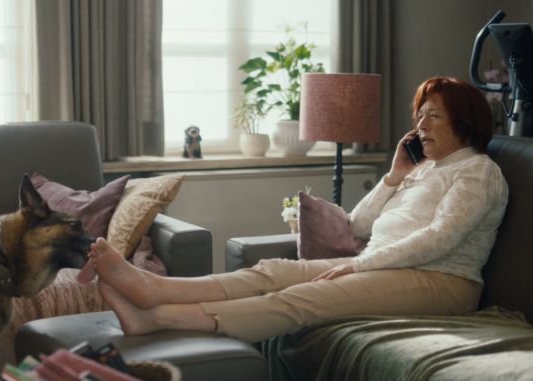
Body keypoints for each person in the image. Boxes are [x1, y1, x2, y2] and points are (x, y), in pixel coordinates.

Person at [78, 76, 509, 344]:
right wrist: (393, 175)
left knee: (302, 297)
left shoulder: (477, 171)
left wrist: (359, 267)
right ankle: (154, 288)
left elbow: (439, 240)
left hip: (442, 282)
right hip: (386, 268)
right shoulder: (421, 170)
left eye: (433, 115)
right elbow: (357, 223)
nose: (420, 125)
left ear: (465, 122)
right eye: (419, 115)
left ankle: (155, 319)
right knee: (272, 271)